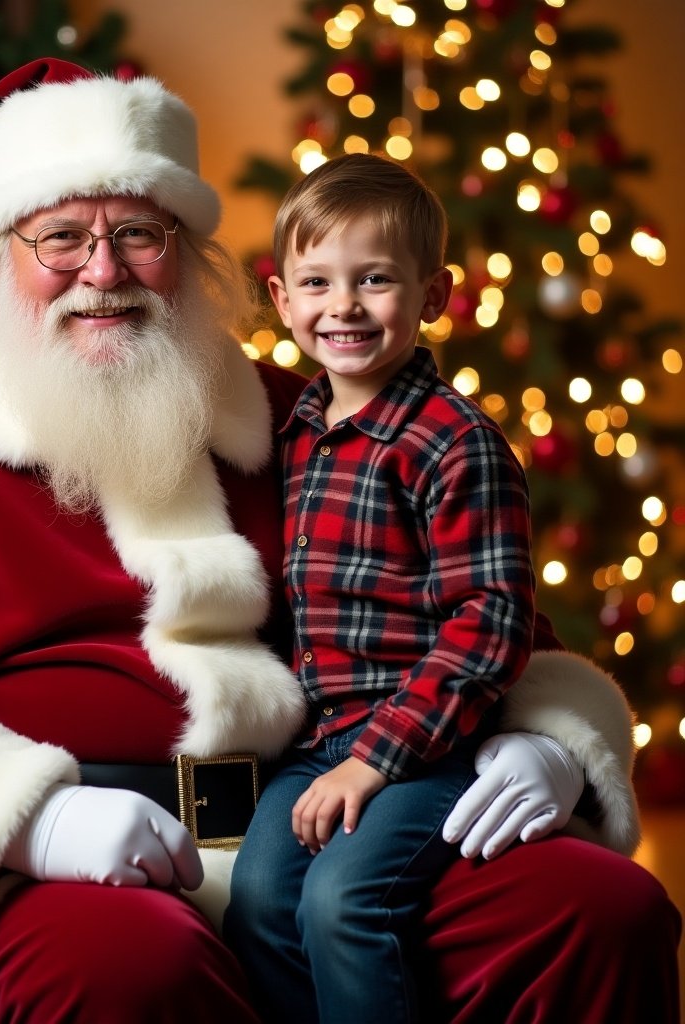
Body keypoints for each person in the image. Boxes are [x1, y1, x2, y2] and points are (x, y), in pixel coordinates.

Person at [0, 59, 679, 1024]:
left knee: (598, 909)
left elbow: (484, 609)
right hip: (51, 870)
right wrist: (34, 819)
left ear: (185, 250)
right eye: (61, 235)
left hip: (326, 815)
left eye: (138, 233)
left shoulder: (294, 412)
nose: (102, 272)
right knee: (129, 971)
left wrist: (550, 744)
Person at [223, 152, 543, 1022]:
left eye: (375, 280)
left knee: (343, 902)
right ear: (283, 302)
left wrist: (375, 761)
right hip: (317, 742)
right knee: (256, 902)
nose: (345, 307)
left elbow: (491, 623)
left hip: (426, 749)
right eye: (317, 282)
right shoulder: (290, 433)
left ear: (433, 296)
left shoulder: (454, 443)